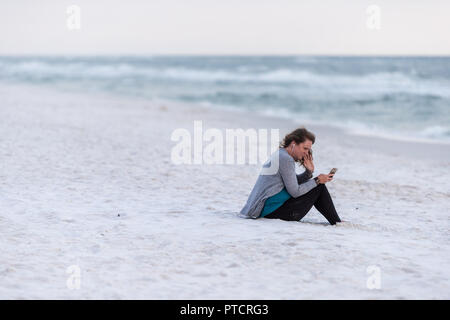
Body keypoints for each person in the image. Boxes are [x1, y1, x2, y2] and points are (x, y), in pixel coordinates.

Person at [239, 127, 342, 225]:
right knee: (319, 187)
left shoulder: (280, 154)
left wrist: (309, 173)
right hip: (270, 213)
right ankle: (336, 223)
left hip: (263, 209)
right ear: (293, 144)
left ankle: (335, 222)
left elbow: (291, 182)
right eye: (305, 148)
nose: (306, 153)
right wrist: (317, 180)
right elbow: (295, 192)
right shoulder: (286, 159)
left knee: (315, 185)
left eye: (308, 150)